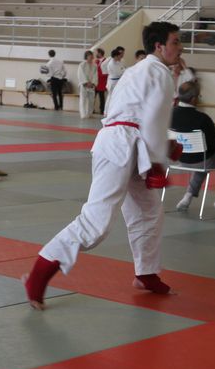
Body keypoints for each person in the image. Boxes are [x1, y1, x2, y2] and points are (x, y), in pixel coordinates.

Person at [23, 21, 184, 310]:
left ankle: (146, 273)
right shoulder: (158, 72)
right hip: (122, 144)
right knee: (96, 222)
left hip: (125, 142)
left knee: (149, 212)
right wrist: (159, 160)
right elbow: (152, 121)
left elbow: (140, 115)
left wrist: (162, 149)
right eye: (175, 42)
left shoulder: (137, 70)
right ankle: (38, 274)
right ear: (159, 46)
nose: (179, 47)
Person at [171, 81, 215, 216]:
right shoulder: (202, 118)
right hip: (201, 159)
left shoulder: (169, 115)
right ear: (194, 99)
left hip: (181, 158)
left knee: (203, 158)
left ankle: (187, 197)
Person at [77, 50, 97, 118]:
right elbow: (80, 74)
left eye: (92, 55)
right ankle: (83, 114)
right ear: (86, 56)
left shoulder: (94, 65)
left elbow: (95, 75)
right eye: (89, 55)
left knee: (91, 100)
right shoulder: (82, 65)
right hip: (84, 85)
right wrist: (85, 82)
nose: (91, 57)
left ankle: (89, 113)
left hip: (91, 85)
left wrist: (93, 83)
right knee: (83, 100)